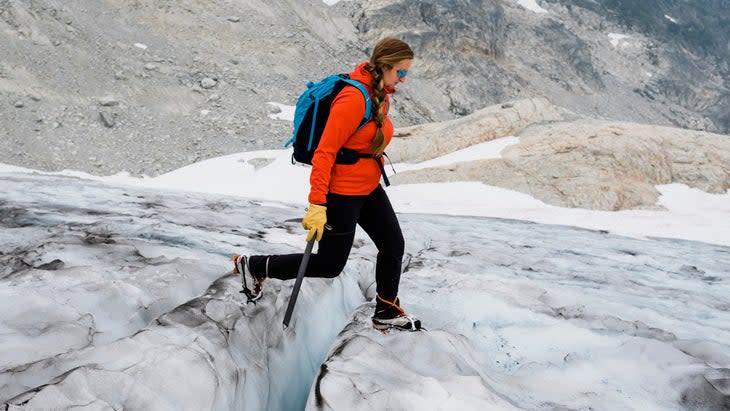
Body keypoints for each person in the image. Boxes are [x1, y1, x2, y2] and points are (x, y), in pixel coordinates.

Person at [232, 37, 420, 331]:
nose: (404, 79)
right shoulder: (353, 99)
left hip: (368, 188)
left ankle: (386, 310)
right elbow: (325, 153)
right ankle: (253, 266)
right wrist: (318, 203)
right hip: (342, 193)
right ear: (385, 66)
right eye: (401, 72)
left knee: (393, 244)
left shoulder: (381, 94)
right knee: (330, 265)